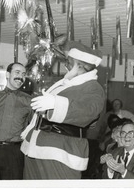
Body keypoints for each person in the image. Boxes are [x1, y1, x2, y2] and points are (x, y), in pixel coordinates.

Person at [20, 41, 105, 179]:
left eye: (69, 64)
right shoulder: (65, 84)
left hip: (61, 150)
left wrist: (55, 103)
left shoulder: (93, 88)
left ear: (80, 66)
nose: (66, 67)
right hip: (37, 146)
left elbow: (88, 112)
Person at [0, 62, 33, 180]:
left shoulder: (29, 101)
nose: (21, 77)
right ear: (7, 74)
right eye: (17, 72)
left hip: (15, 153)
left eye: (24, 74)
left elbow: (36, 126)